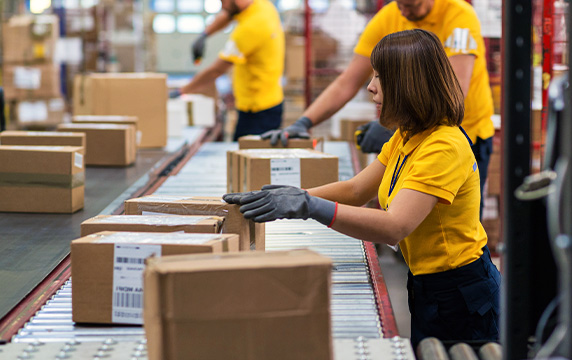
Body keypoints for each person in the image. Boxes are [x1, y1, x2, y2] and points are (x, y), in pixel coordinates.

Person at [224, 29, 500, 348]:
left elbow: (394, 226)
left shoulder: (443, 147)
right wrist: (292, 196)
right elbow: (358, 189)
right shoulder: (408, 135)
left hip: (462, 293)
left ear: (408, 84)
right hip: (427, 283)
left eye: (380, 77)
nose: (370, 87)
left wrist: (309, 208)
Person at [261, 0, 496, 202]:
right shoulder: (390, 15)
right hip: (416, 132)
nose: (402, 12)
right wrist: (304, 121)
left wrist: (392, 124)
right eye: (398, 3)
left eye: (409, 5)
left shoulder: (459, 16)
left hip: (467, 131)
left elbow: (453, 89)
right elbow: (348, 81)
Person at [178, 0, 284, 140]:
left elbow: (216, 70)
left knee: (245, 156)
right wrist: (204, 35)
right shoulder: (260, 6)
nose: (222, 7)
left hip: (258, 110)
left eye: (224, 1)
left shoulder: (251, 28)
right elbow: (228, 14)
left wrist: (182, 91)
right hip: (266, 101)